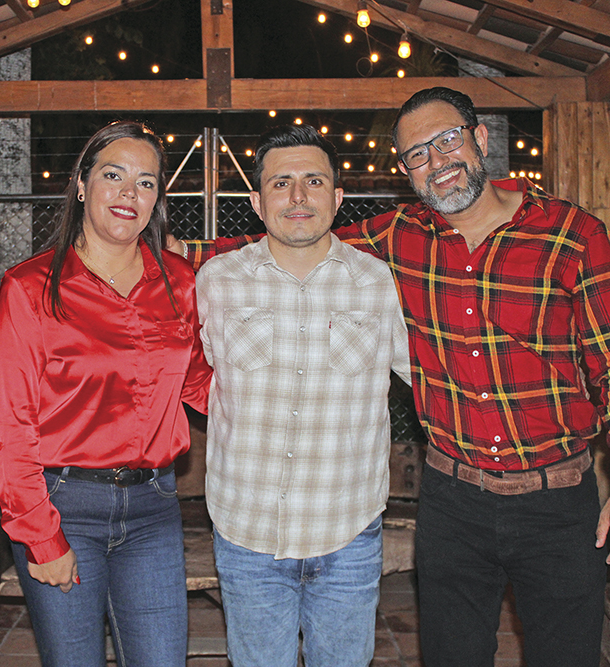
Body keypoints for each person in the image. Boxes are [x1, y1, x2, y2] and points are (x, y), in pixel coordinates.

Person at [176, 87, 610, 667]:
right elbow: (296, 237)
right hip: (454, 501)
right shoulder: (398, 238)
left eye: (447, 140)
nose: (437, 160)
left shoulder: (571, 233)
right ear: (406, 171)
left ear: (480, 139)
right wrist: (165, 249)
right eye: (417, 154)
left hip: (556, 497)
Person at [0, 120, 211, 667]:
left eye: (146, 182)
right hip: (63, 506)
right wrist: (40, 537)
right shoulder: (30, 287)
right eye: (114, 176)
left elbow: (201, 383)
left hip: (154, 507)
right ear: (82, 185)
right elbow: (9, 428)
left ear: (157, 199)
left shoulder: (180, 281)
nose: (130, 192)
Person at [195, 124, 411, 667]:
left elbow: (431, 381)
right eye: (281, 183)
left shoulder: (380, 283)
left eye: (314, 181)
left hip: (348, 531)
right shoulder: (216, 281)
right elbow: (186, 374)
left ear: (337, 198)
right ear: (256, 202)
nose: (297, 197)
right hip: (246, 532)